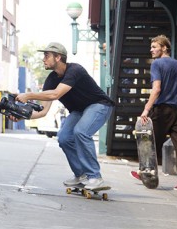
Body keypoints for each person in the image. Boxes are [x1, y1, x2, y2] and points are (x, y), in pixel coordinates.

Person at [15, 42, 114, 190]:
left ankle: (95, 176)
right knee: (64, 137)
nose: (43, 59)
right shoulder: (51, 79)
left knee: (81, 131)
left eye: (47, 56)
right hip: (79, 111)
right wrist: (21, 115)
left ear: (58, 57)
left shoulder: (75, 70)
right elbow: (43, 111)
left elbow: (56, 94)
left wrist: (28, 95)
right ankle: (82, 175)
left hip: (99, 105)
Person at [132, 35, 177, 191]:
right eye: (151, 47)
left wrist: (146, 109)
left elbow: (156, 89)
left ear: (164, 48)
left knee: (149, 142)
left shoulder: (157, 64)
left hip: (162, 110)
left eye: (154, 47)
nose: (151, 50)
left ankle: (145, 171)